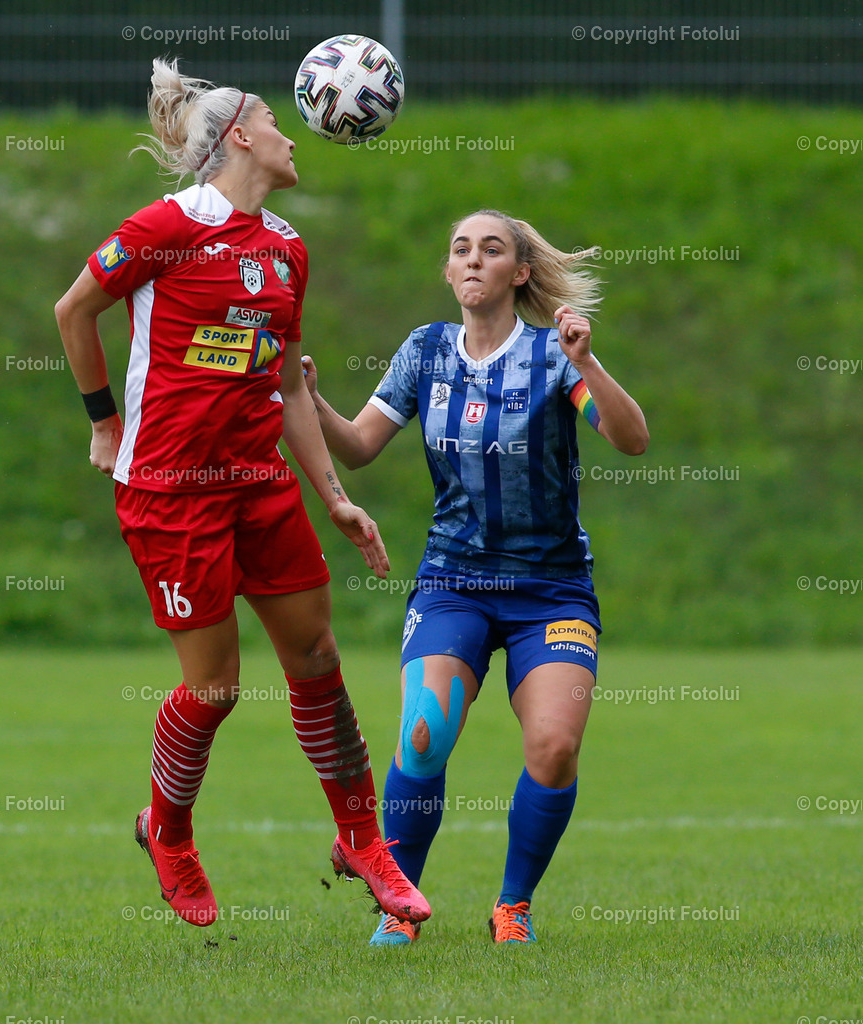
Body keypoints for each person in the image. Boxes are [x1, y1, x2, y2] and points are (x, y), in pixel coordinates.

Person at [53, 57, 430, 929]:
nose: (294, 135)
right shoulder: (164, 226)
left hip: (258, 483)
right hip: (171, 491)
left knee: (319, 660)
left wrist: (332, 494)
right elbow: (74, 311)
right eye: (277, 120)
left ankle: (365, 843)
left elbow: (288, 386)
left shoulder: (287, 248)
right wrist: (104, 423)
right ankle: (170, 834)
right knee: (215, 690)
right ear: (239, 137)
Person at [303, 209, 648, 945]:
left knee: (554, 746)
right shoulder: (425, 351)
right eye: (460, 248)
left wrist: (588, 361)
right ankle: (403, 905)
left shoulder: (554, 357)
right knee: (423, 735)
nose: (471, 260)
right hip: (453, 581)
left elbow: (633, 440)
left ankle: (513, 905)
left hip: (550, 589)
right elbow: (360, 446)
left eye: (490, 250)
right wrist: (309, 395)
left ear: (518, 273)